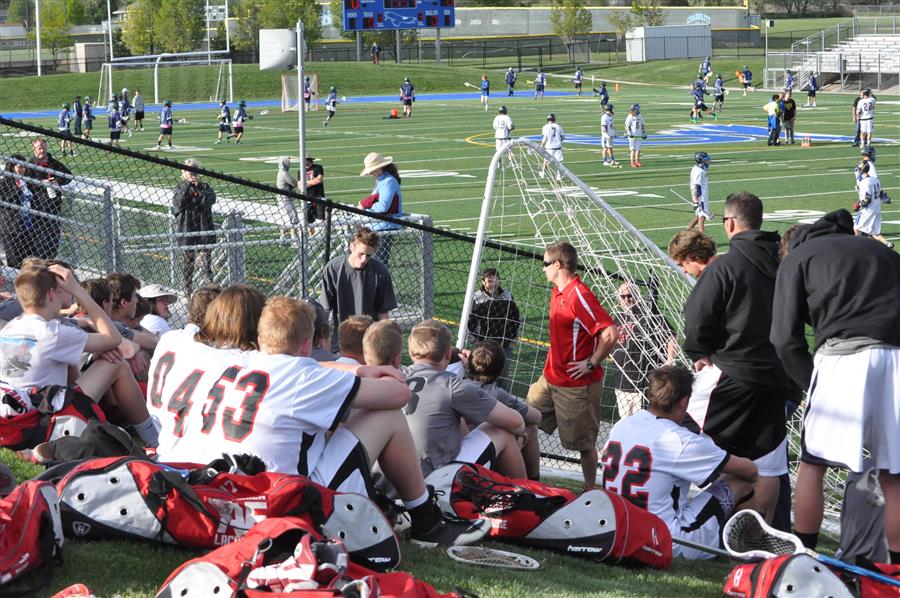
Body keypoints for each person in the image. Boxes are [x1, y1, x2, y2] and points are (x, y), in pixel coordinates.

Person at [148, 289, 489, 548]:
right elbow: (399, 396)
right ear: (307, 343)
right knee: (381, 415)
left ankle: (386, 503)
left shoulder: (191, 349)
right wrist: (359, 372)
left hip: (194, 482)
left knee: (319, 419)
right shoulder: (297, 374)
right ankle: (426, 519)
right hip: (277, 500)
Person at [770, 208, 899, 562]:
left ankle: (804, 556)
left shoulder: (799, 258)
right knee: (894, 472)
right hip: (896, 359)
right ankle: (896, 573)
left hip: (841, 359)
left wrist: (808, 380)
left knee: (813, 463)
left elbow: (783, 337)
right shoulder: (883, 251)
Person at [681, 191, 798, 522]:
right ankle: (768, 533)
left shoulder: (726, 266)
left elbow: (696, 319)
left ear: (730, 223)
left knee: (668, 427)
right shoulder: (786, 264)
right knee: (770, 465)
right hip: (778, 379)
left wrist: (699, 351)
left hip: (732, 375)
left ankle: (660, 515)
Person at [601, 365, 758, 560]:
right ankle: (745, 549)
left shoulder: (622, 425)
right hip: (663, 539)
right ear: (684, 402)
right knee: (741, 480)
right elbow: (750, 471)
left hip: (616, 527)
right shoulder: (679, 439)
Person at [0, 262, 159, 447]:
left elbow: (71, 379)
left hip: (15, 417)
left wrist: (94, 355)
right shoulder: (53, 332)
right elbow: (114, 338)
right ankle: (154, 441)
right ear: (51, 294)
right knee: (117, 363)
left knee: (79, 360)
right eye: (61, 290)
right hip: (41, 422)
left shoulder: (11, 326)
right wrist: (79, 291)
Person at [526, 241, 618, 490]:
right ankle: (529, 480)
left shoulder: (579, 295)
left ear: (558, 264)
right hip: (549, 379)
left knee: (584, 444)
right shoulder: (558, 291)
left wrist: (591, 363)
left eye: (545, 264)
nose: (543, 268)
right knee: (524, 420)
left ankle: (589, 491)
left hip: (575, 385)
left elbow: (610, 333)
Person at [403, 319, 527, 479]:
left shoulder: (393, 378)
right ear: (448, 354)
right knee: (501, 431)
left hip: (390, 479)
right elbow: (517, 423)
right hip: (431, 481)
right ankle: (524, 492)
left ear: (410, 351)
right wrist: (521, 437)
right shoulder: (453, 386)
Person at [467, 340, 542, 479]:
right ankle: (534, 482)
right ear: (501, 370)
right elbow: (537, 417)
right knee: (531, 428)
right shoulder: (498, 394)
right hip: (482, 456)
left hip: (462, 448)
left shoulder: (458, 385)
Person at [609, 282, 676, 419]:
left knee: (642, 423)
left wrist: (670, 359)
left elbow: (671, 336)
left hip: (643, 386)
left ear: (638, 296)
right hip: (621, 384)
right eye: (622, 296)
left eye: (630, 295)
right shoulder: (618, 318)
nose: (627, 299)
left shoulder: (649, 316)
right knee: (625, 423)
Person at [320, 227, 397, 340]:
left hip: (370, 337)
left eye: (369, 255)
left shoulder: (380, 271)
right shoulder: (333, 268)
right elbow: (325, 309)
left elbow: (383, 313)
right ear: (352, 247)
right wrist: (323, 339)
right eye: (361, 254)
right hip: (342, 335)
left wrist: (383, 338)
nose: (364, 259)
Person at [466, 267, 521, 387]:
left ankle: (501, 397)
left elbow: (515, 319)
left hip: (503, 345)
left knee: (502, 376)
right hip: (483, 346)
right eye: (490, 281)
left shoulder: (507, 295)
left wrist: (511, 340)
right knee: (482, 374)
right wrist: (476, 343)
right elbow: (470, 323)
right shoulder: (476, 297)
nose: (493, 283)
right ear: (483, 282)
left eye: (496, 280)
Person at [172, 159, 216, 296]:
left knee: (206, 262)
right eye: (188, 171)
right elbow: (179, 203)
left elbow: (210, 201)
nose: (191, 174)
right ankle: (187, 288)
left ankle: (210, 288)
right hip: (187, 226)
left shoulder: (205, 187)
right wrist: (188, 185)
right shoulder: (180, 188)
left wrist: (200, 189)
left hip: (203, 226)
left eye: (193, 171)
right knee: (188, 261)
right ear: (183, 173)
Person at [28, 137, 71, 261]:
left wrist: (57, 181)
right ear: (34, 149)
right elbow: (26, 182)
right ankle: (39, 263)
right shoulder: (29, 165)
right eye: (39, 148)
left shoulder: (54, 163)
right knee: (38, 240)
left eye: (44, 148)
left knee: (53, 239)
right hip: (36, 206)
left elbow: (69, 176)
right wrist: (40, 183)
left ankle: (50, 261)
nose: (42, 151)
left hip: (53, 205)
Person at [359, 153, 403, 262]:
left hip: (385, 226)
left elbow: (383, 206)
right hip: (378, 225)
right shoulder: (381, 180)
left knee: (378, 262)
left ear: (380, 167)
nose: (370, 173)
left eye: (372, 170)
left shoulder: (388, 181)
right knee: (371, 260)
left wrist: (365, 208)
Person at [0, 155, 35, 269]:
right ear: (12, 167)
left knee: (26, 261)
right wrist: (17, 188)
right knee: (14, 261)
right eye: (19, 166)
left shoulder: (27, 181)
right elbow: (7, 199)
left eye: (24, 167)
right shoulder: (5, 181)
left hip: (27, 226)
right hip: (10, 226)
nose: (22, 169)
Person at [853, 160, 892, 249]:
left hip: (868, 210)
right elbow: (882, 194)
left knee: (856, 228)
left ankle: (856, 247)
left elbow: (867, 200)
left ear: (861, 170)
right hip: (877, 209)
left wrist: (858, 204)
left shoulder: (864, 183)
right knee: (874, 233)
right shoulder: (875, 180)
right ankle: (888, 244)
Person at [275, 156, 299, 243]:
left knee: (284, 219)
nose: (289, 163)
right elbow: (294, 183)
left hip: (282, 199)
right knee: (294, 218)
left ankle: (282, 238)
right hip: (286, 200)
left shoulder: (281, 172)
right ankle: (294, 239)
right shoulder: (284, 174)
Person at [688, 151, 712, 234]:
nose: (707, 161)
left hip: (701, 195)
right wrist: (696, 201)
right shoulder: (699, 171)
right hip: (701, 197)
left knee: (698, 216)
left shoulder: (697, 168)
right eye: (705, 160)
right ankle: (702, 237)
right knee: (702, 216)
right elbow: (696, 186)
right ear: (701, 160)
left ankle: (686, 231)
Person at [539, 113, 565, 180]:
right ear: (554, 119)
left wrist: (542, 145)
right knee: (558, 162)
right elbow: (562, 137)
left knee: (546, 161)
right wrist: (558, 141)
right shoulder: (559, 126)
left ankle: (543, 173)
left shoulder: (545, 127)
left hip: (549, 147)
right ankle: (559, 175)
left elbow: (544, 137)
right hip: (558, 146)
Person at [624, 103, 646, 168]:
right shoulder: (630, 116)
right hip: (632, 135)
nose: (638, 110)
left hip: (639, 134)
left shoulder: (640, 115)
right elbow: (627, 126)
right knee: (633, 149)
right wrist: (630, 133)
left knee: (638, 149)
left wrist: (644, 133)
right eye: (637, 108)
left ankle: (637, 161)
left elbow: (642, 124)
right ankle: (632, 162)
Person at [305, 156, 326, 224]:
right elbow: (300, 186)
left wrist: (306, 182)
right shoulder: (301, 170)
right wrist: (313, 181)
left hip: (319, 196)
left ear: (309, 160)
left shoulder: (318, 167)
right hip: (307, 198)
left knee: (320, 220)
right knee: (309, 221)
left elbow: (319, 180)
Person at [601, 104, 619, 168]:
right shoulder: (604, 117)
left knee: (610, 147)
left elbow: (612, 125)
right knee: (605, 148)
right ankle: (605, 161)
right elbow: (603, 127)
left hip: (611, 134)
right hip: (606, 135)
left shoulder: (610, 116)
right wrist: (606, 134)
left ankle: (612, 160)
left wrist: (615, 132)